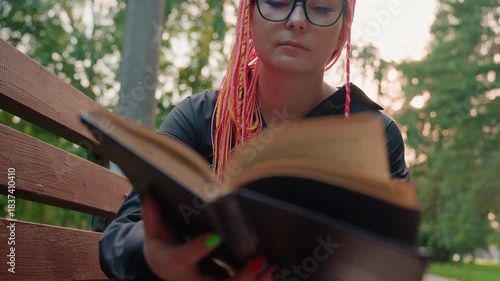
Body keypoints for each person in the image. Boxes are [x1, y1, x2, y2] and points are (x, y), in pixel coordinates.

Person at [99, 0, 410, 280]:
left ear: (343, 31)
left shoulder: (374, 135)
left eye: (321, 8)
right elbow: (118, 239)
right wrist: (156, 257)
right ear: (248, 18)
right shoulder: (200, 118)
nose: (297, 19)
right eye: (277, 2)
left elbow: (395, 261)